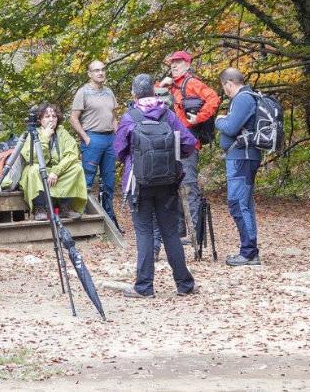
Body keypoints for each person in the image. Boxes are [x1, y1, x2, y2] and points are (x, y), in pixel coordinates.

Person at [115, 74, 198, 298]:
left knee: (144, 233)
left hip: (139, 184)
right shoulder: (168, 115)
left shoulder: (130, 117)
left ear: (134, 94)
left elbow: (119, 151)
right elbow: (189, 143)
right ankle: (184, 284)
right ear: (153, 91)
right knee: (170, 232)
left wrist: (135, 160)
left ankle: (144, 287)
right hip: (168, 183)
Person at [166, 50, 220, 241]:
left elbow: (213, 98)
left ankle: (197, 235)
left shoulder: (192, 83)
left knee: (189, 187)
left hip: (188, 144)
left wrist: (199, 117)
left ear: (187, 65)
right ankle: (181, 231)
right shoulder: (171, 86)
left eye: (178, 62)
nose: (174, 65)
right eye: (172, 62)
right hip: (173, 144)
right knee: (174, 187)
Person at [215, 67, 261, 266]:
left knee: (237, 204)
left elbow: (231, 127)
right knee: (243, 204)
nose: (225, 91)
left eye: (224, 86)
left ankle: (248, 252)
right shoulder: (248, 97)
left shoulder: (243, 99)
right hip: (243, 156)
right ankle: (250, 250)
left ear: (229, 84)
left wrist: (219, 120)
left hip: (242, 158)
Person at [69, 60, 118, 228]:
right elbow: (73, 118)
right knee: (88, 178)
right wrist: (85, 137)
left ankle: (109, 217)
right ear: (89, 74)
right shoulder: (83, 92)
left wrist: (118, 136)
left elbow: (113, 116)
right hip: (92, 138)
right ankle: (82, 213)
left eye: (103, 70)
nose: (100, 73)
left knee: (109, 180)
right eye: (96, 70)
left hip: (110, 139)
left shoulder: (109, 92)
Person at [19, 103, 88, 219]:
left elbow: (71, 155)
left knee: (77, 168)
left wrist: (56, 171)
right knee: (34, 170)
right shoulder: (33, 133)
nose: (51, 119)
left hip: (56, 172)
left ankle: (65, 206)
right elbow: (33, 158)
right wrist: (45, 138)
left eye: (54, 116)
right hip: (39, 171)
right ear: (40, 120)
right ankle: (40, 208)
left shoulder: (62, 133)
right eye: (47, 116)